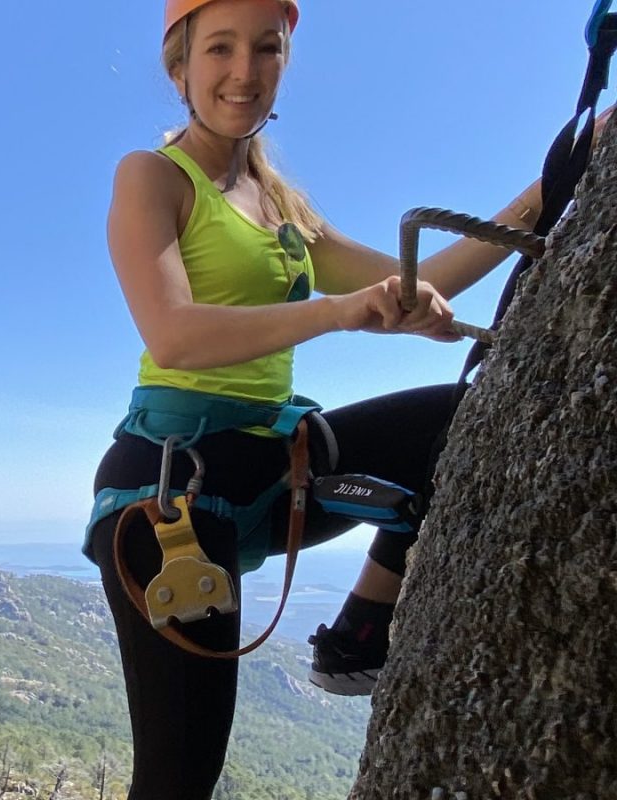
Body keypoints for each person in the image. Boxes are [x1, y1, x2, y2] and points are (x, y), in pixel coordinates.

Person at [83, 1, 547, 797]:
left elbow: (425, 280)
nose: (244, 71)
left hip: (271, 459)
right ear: (178, 68)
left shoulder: (283, 207)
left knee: (460, 420)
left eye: (266, 49)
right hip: (169, 490)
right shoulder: (153, 176)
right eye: (220, 48)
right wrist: (339, 312)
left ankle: (359, 634)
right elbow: (176, 336)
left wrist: (554, 177)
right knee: (178, 778)